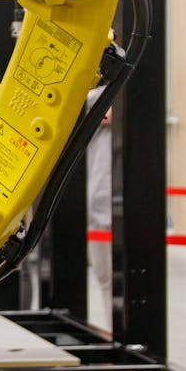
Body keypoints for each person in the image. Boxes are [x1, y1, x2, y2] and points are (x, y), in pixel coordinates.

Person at [86, 86, 113, 327]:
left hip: (114, 205)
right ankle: (115, 330)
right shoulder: (94, 99)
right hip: (100, 208)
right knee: (106, 277)